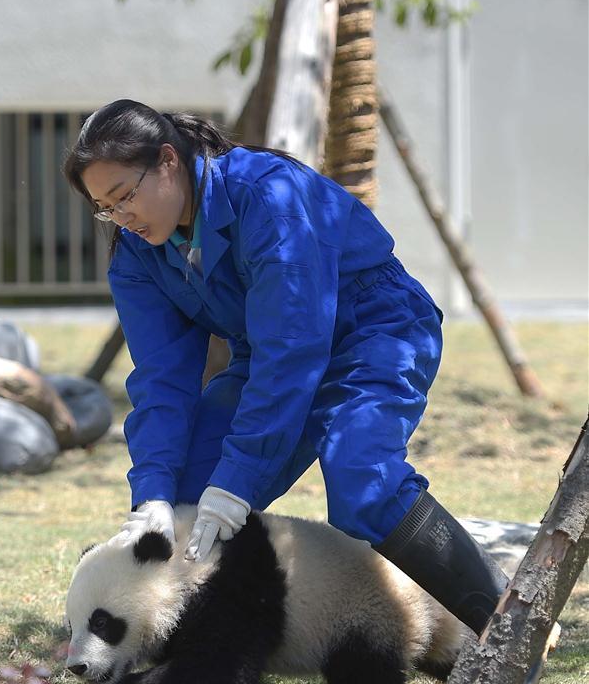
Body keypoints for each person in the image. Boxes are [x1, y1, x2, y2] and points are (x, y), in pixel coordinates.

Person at [62, 99, 516, 642]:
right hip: (270, 357)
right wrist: (152, 494)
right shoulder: (136, 254)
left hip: (373, 333)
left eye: (126, 195)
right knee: (185, 495)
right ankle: (206, 660)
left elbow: (293, 348)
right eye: (105, 208)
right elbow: (162, 379)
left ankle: (511, 628)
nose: (123, 217)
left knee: (361, 481)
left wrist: (237, 483)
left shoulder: (270, 197)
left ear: (167, 161)